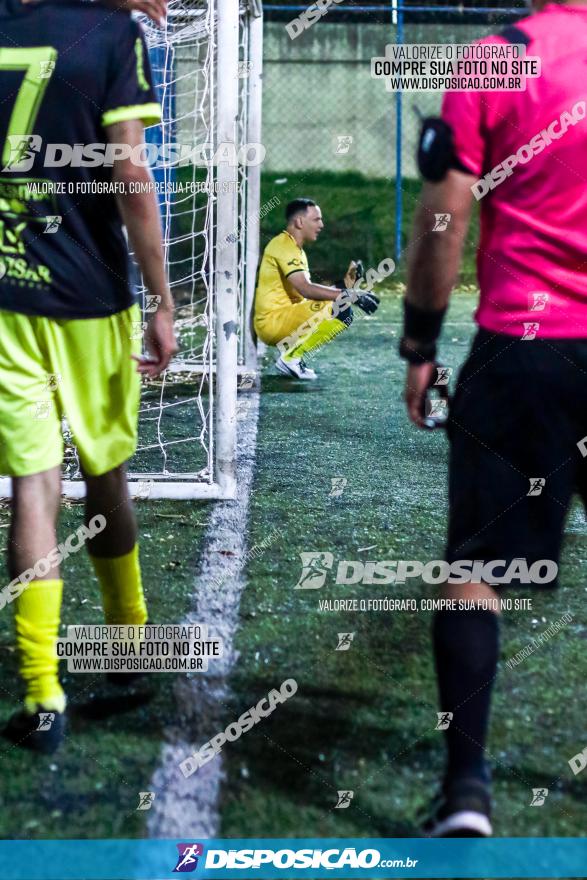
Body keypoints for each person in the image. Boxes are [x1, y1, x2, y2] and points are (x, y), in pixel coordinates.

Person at [400, 0, 587, 836]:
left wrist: (418, 341)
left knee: (475, 569)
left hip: (524, 347)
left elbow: (445, 218)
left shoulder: (496, 59)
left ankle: (467, 790)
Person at [0, 0, 177, 752]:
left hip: (7, 296)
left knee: (31, 490)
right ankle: (128, 653)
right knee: (107, 475)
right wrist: (164, 299)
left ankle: (43, 696)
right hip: (90, 295)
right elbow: (131, 174)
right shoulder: (111, 35)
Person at [254, 198, 379, 380]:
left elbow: (311, 294)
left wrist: (346, 285)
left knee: (339, 302)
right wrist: (351, 295)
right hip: (272, 323)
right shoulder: (283, 246)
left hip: (283, 317)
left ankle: (292, 356)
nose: (321, 224)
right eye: (316, 219)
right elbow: (306, 289)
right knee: (342, 308)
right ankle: (291, 358)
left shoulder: (295, 249)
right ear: (299, 222)